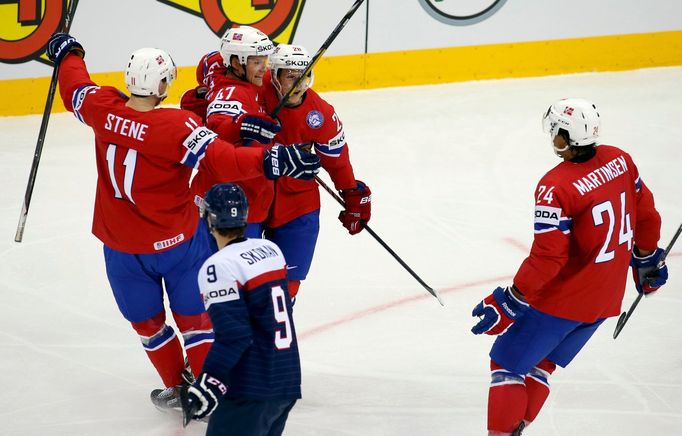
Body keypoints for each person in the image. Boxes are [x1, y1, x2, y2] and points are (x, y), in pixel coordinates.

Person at [46, 33, 318, 410]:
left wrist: (67, 53)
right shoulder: (178, 126)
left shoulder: (100, 107)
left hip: (121, 247)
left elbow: (75, 85)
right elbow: (222, 160)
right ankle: (211, 396)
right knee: (196, 323)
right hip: (176, 244)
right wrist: (273, 160)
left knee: (148, 325)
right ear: (162, 85)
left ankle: (176, 385)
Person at [470, 98, 669, 435]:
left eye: (555, 132)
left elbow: (549, 257)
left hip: (565, 299)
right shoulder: (620, 160)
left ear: (565, 137)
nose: (552, 138)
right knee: (541, 362)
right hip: (605, 298)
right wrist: (647, 260)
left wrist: (511, 299)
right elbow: (646, 214)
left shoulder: (555, 186)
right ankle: (516, 427)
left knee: (505, 364)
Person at [182, 183, 300, 435]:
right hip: (285, 379)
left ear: (209, 220)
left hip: (251, 386)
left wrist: (209, 381)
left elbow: (234, 335)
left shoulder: (218, 267)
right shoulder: (271, 250)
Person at [261, 44, 372, 299]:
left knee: (288, 282)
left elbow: (336, 159)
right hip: (252, 193)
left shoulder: (320, 113)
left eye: (305, 76)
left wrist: (351, 192)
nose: (300, 85)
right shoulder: (255, 91)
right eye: (291, 76)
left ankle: (278, 328)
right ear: (275, 75)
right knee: (241, 277)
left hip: (296, 198)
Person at [184, 25, 283, 239]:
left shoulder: (224, 69)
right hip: (230, 210)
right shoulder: (230, 93)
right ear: (237, 63)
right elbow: (218, 124)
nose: (263, 69)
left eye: (264, 61)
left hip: (235, 199)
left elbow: (209, 62)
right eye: (257, 62)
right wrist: (244, 124)